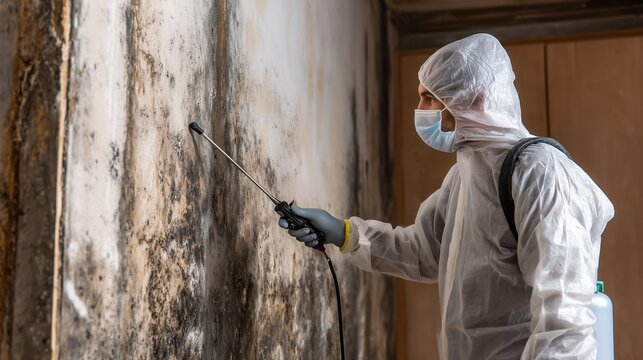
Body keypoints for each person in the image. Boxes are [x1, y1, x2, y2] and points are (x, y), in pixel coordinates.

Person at [278, 33, 614, 359]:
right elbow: (423, 252)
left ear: (476, 99)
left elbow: (565, 322)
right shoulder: (465, 174)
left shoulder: (539, 171)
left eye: (430, 98)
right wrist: (342, 232)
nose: (420, 110)